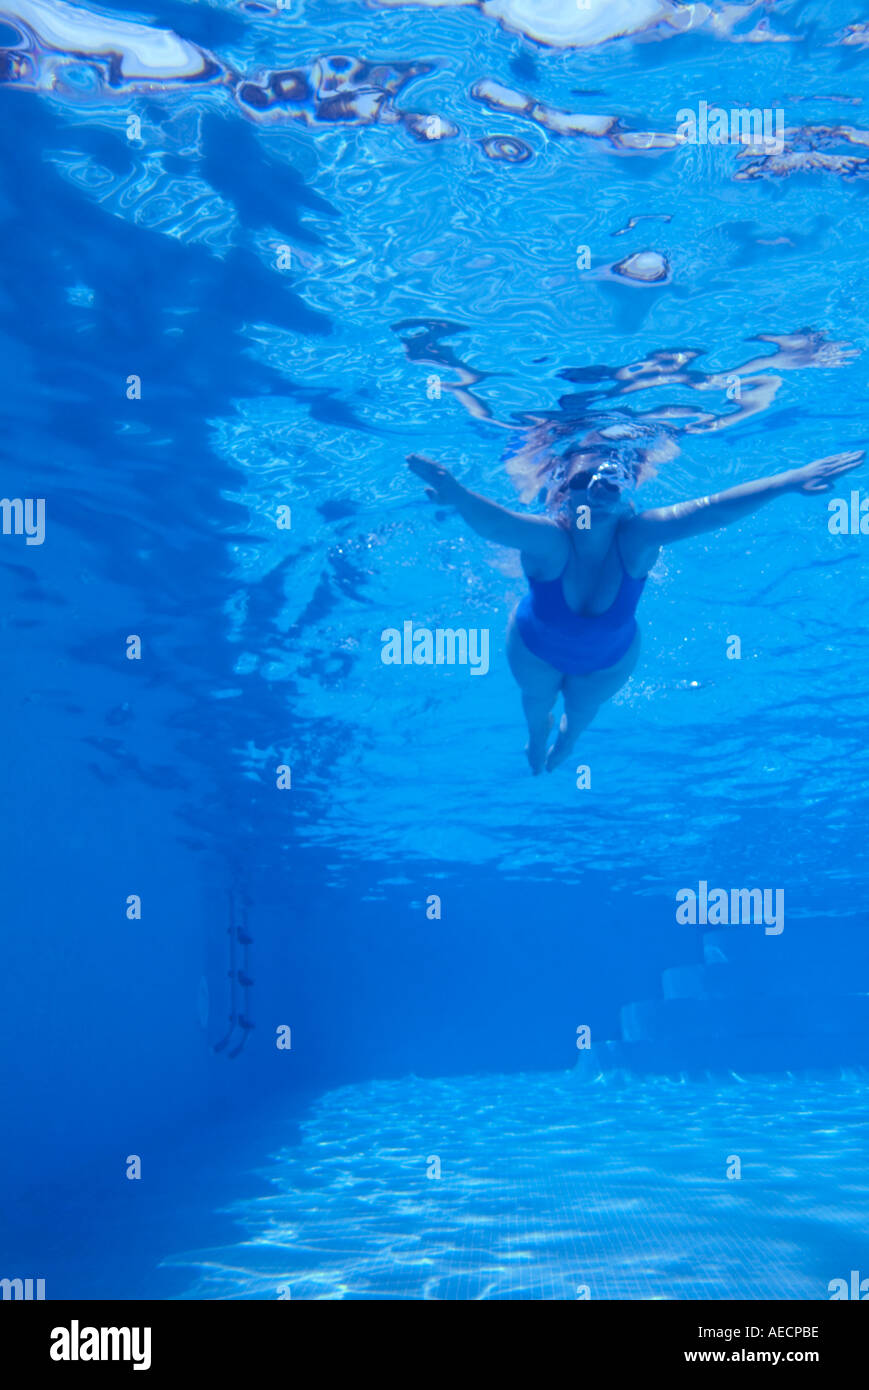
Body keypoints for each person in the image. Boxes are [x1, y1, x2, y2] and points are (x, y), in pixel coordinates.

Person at [407, 447, 864, 774]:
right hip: (534, 649)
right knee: (535, 705)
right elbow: (500, 525)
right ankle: (534, 738)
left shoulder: (638, 538)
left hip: (608, 661)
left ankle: (566, 741)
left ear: (627, 494)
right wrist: (459, 497)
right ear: (563, 493)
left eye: (610, 482)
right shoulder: (550, 541)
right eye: (585, 482)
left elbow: (711, 512)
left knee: (580, 718)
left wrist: (784, 482)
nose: (598, 491)